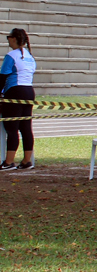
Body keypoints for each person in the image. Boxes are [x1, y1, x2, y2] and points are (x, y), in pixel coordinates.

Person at [1, 29, 37, 171]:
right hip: (29, 91)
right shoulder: (30, 56)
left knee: (11, 127)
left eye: (9, 37)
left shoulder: (11, 56)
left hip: (14, 91)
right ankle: (27, 161)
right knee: (26, 127)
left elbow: (2, 77)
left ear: (15, 39)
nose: (8, 40)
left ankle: (8, 162)